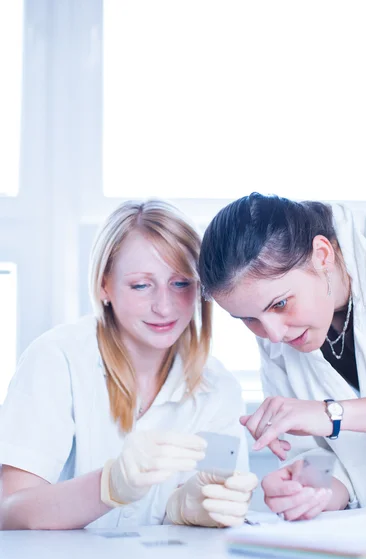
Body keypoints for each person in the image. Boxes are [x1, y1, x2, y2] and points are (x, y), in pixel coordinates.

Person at [0, 200, 257, 530]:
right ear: (104, 285)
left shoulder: (219, 387)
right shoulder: (57, 361)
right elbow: (10, 512)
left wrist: (194, 510)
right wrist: (108, 486)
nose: (164, 307)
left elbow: (222, 500)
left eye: (181, 284)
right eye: (141, 285)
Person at [199, 192, 366, 521]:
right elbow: (335, 478)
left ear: (322, 255)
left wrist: (332, 415)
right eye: (248, 319)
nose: (274, 335)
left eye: (280, 304)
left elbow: (328, 418)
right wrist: (308, 489)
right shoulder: (274, 335)